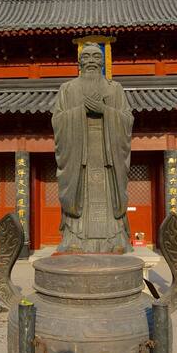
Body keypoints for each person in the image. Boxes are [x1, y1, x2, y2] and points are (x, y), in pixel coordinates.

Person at [51, 43, 133, 253]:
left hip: (108, 155)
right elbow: (57, 120)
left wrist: (104, 110)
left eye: (96, 57)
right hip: (79, 154)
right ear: (79, 62)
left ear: (103, 62)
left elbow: (126, 119)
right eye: (86, 57)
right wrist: (81, 111)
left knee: (107, 194)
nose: (91, 61)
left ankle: (115, 240)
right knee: (79, 191)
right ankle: (74, 240)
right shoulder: (67, 89)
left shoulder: (115, 89)